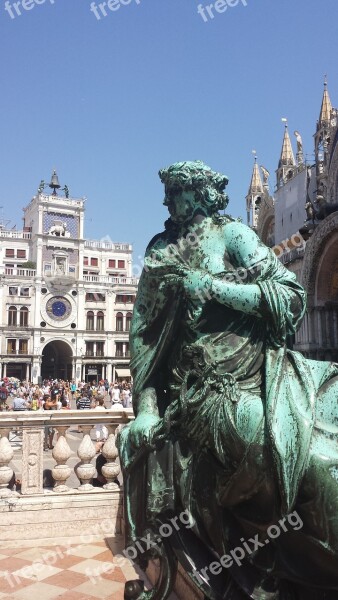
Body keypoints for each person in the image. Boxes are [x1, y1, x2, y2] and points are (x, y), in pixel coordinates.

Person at [118, 161, 338, 599]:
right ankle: (281, 565)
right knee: (308, 466)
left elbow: (288, 294)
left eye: (177, 191)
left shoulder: (233, 234)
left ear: (201, 193)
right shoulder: (160, 251)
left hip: (266, 370)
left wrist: (214, 287)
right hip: (206, 390)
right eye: (168, 192)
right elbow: (144, 339)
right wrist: (146, 410)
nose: (168, 201)